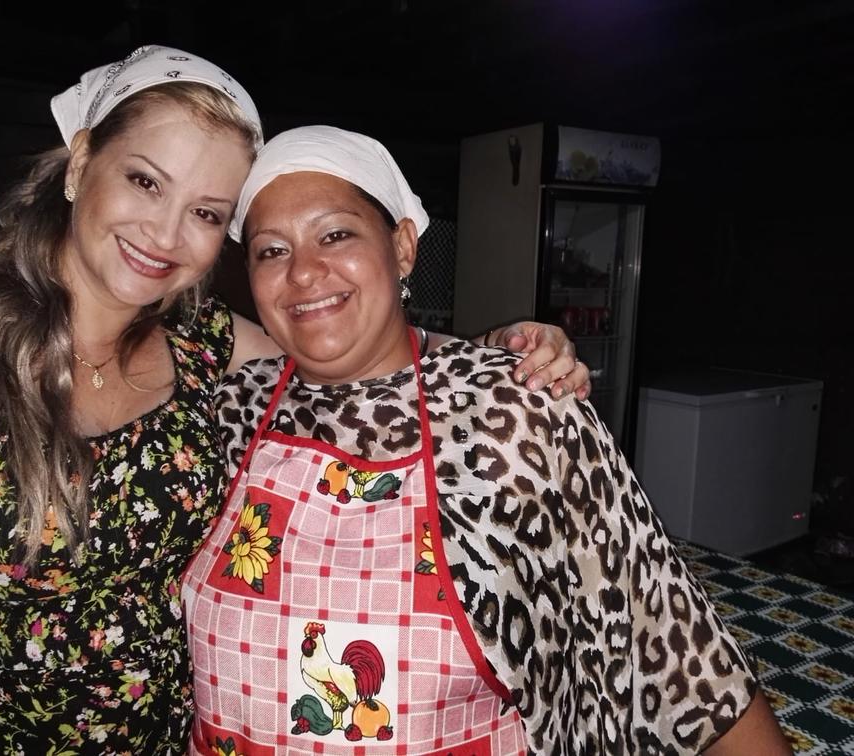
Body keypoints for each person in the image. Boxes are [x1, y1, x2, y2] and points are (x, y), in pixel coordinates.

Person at [0, 48, 588, 754]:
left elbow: (361, 359)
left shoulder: (205, 347)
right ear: (80, 163)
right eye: (145, 181)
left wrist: (495, 355)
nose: (165, 233)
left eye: (206, 213)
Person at [182, 126, 793, 755]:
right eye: (271, 250)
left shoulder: (515, 410)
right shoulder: (229, 409)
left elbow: (671, 645)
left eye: (335, 234)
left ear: (403, 247)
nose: (304, 271)